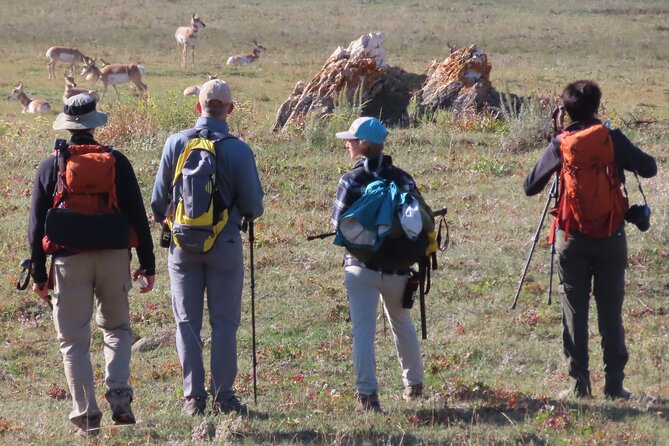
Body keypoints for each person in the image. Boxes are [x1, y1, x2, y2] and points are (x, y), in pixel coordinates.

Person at [28, 93, 156, 436]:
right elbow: (138, 216)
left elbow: (36, 224)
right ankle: (119, 395)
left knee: (73, 340)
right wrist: (148, 263)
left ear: (68, 127)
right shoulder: (117, 161)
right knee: (116, 329)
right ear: (95, 123)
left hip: (69, 260)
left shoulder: (51, 165)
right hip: (115, 256)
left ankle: (86, 416)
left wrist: (40, 274)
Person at [524, 80, 656, 399]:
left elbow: (530, 186)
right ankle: (614, 384)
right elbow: (649, 168)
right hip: (611, 235)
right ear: (597, 106)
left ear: (566, 110)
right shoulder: (611, 138)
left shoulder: (562, 143)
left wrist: (556, 147)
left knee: (574, 308)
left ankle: (579, 385)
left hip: (571, 237)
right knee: (610, 310)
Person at [151, 79, 264, 416]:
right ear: (230, 109)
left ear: (198, 107)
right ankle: (224, 396)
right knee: (225, 323)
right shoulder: (239, 149)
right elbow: (254, 206)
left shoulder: (176, 143)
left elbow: (158, 202)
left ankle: (193, 398)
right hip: (226, 244)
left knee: (186, 321)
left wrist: (175, 224)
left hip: (183, 245)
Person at [331, 117, 425, 413]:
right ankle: (414, 385)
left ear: (365, 145)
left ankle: (368, 397)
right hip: (398, 267)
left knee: (362, 332)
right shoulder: (404, 178)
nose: (347, 143)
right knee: (402, 325)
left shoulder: (350, 180)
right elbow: (419, 222)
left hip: (360, 267)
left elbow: (337, 224)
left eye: (352, 140)